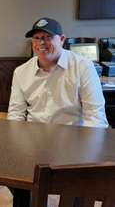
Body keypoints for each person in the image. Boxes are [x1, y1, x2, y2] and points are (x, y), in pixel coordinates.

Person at [7, 17, 108, 206]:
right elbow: (15, 115)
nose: (40, 43)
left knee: (79, 190)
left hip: (72, 145)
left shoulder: (83, 66)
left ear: (61, 39)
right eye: (36, 38)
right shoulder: (21, 72)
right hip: (33, 145)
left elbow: (95, 116)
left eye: (47, 37)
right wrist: (17, 148)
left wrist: (85, 157)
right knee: (12, 176)